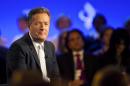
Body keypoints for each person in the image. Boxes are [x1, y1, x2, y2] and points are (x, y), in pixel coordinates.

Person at [6, 7, 60, 83]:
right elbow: (23, 80)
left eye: (46, 24)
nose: (43, 28)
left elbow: (55, 76)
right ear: (29, 25)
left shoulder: (50, 46)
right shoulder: (18, 47)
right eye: (37, 23)